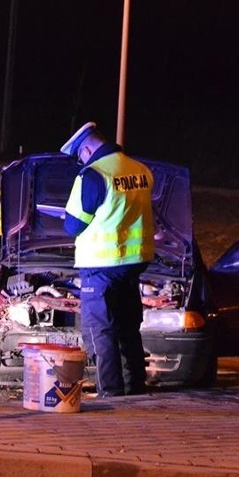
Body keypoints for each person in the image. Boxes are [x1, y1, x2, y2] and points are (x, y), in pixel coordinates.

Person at [61, 121, 154, 397]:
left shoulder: (93, 175)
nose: (81, 161)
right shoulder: (140, 170)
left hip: (100, 266)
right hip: (133, 262)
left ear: (88, 148)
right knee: (127, 328)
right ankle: (136, 386)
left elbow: (73, 225)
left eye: (81, 156)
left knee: (99, 332)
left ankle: (111, 391)